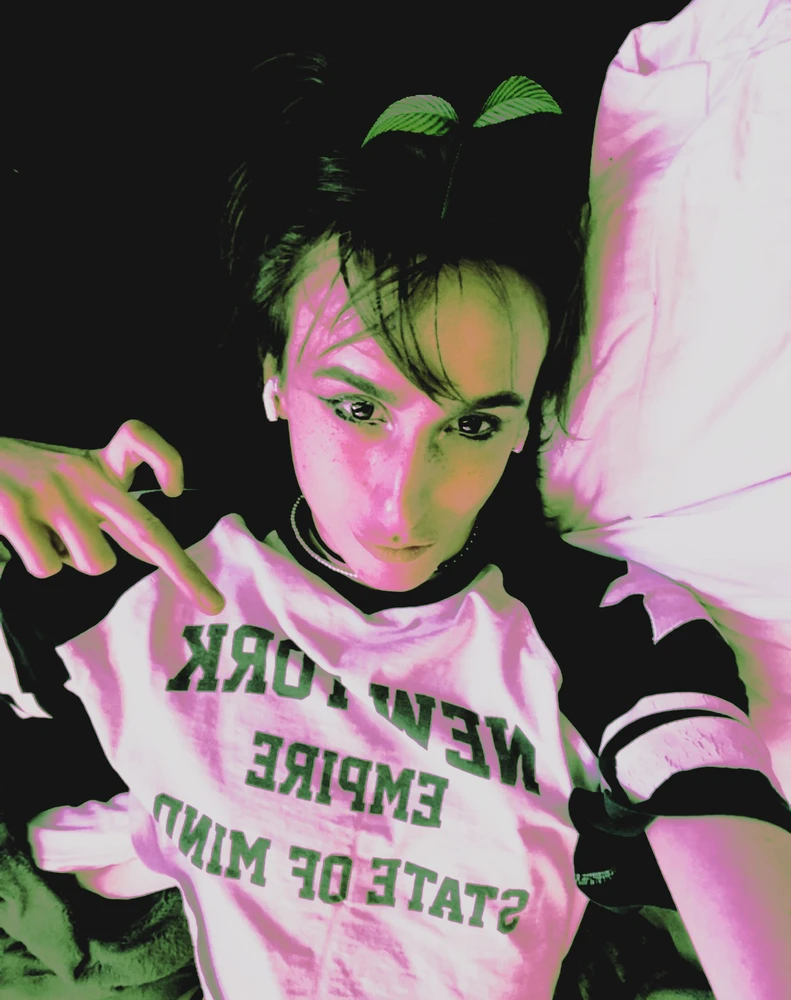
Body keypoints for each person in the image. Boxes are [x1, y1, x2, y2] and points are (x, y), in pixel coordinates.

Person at [1, 51, 790, 1000]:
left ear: (527, 423)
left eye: (472, 426)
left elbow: (725, 835)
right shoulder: (136, 565)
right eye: (358, 409)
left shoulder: (603, 628)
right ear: (272, 379)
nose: (401, 504)